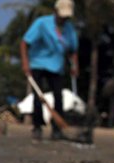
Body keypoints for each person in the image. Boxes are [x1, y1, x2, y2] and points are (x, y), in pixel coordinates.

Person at [20, 0, 79, 140]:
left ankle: (57, 129)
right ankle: (37, 126)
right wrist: (25, 62)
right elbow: (24, 43)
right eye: (62, 16)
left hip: (57, 66)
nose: (64, 19)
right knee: (38, 97)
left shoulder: (69, 29)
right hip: (38, 64)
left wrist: (74, 66)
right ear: (55, 11)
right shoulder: (42, 23)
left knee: (59, 97)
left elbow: (73, 50)